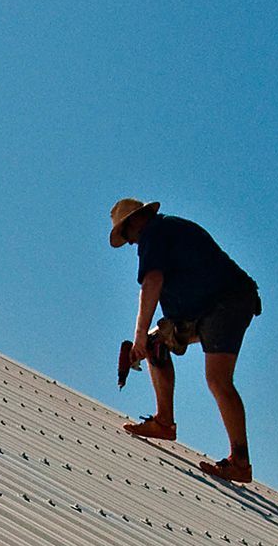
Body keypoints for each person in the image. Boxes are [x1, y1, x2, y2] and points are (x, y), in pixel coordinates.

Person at [109, 197, 260, 482]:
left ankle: (240, 463)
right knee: (157, 345)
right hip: (208, 308)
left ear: (136, 222)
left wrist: (139, 334)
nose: (130, 243)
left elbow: (152, 282)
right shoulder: (167, 232)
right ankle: (164, 422)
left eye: (126, 234)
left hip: (225, 303)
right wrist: (147, 341)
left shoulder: (153, 233)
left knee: (218, 379)